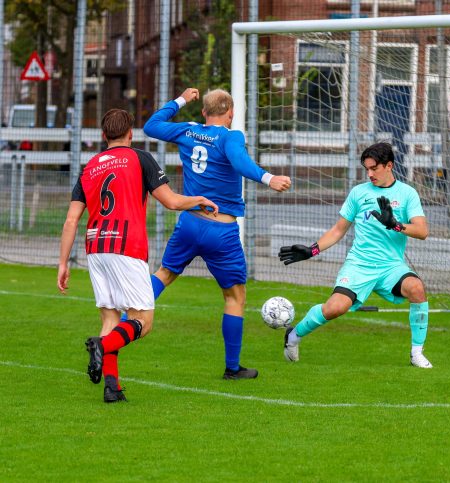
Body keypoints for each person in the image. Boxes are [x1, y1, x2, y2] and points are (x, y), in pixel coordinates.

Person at [57, 109, 219, 403]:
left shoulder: (90, 167)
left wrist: (62, 263)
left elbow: (71, 220)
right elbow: (171, 202)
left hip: (96, 248)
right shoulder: (139, 158)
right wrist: (198, 200)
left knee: (110, 317)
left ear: (104, 135)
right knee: (142, 321)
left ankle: (112, 388)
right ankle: (101, 346)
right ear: (130, 133)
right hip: (126, 246)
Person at [142, 88, 292, 380]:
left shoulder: (188, 130)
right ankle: (232, 368)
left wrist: (181, 99)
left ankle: (122, 327)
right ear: (231, 113)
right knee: (235, 297)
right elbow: (238, 161)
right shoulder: (231, 136)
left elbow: (151, 126)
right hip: (221, 230)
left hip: (189, 223)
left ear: (203, 112)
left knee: (164, 274)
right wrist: (269, 178)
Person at [278, 142, 433, 368]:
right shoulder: (359, 193)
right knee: (335, 308)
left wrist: (396, 225)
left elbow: (422, 231)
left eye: (374, 168)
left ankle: (416, 353)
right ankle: (293, 335)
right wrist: (312, 250)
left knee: (416, 288)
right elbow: (338, 230)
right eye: (366, 169)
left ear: (389, 166)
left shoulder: (407, 193)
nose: (369, 174)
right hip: (359, 265)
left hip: (391, 267)